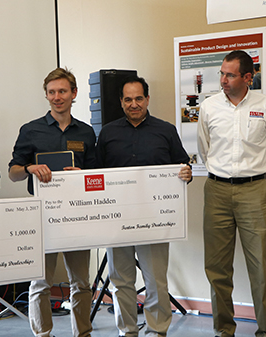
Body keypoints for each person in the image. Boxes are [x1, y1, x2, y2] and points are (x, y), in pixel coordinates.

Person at [96, 76, 192, 337]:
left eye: (139, 98)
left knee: (156, 281)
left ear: (147, 99)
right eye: (128, 99)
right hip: (118, 220)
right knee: (121, 281)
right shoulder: (107, 133)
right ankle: (127, 331)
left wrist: (186, 173)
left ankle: (156, 331)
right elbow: (97, 174)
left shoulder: (166, 130)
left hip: (155, 221)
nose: (134, 104)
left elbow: (182, 166)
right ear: (121, 102)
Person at [8, 67, 95, 337]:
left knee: (81, 283)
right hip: (42, 215)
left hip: (78, 216)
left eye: (62, 91)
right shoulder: (31, 130)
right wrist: (30, 169)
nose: (57, 97)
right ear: (46, 95)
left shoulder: (87, 133)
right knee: (40, 282)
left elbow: (97, 177)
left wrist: (83, 176)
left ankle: (83, 333)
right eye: (52, 92)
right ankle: (43, 333)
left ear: (74, 94)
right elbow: (12, 172)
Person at [197, 50, 266, 337]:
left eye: (230, 74)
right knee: (217, 268)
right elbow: (205, 148)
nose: (223, 79)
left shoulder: (263, 104)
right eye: (221, 74)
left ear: (248, 77)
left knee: (261, 265)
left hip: (255, 190)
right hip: (217, 190)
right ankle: (224, 329)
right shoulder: (209, 107)